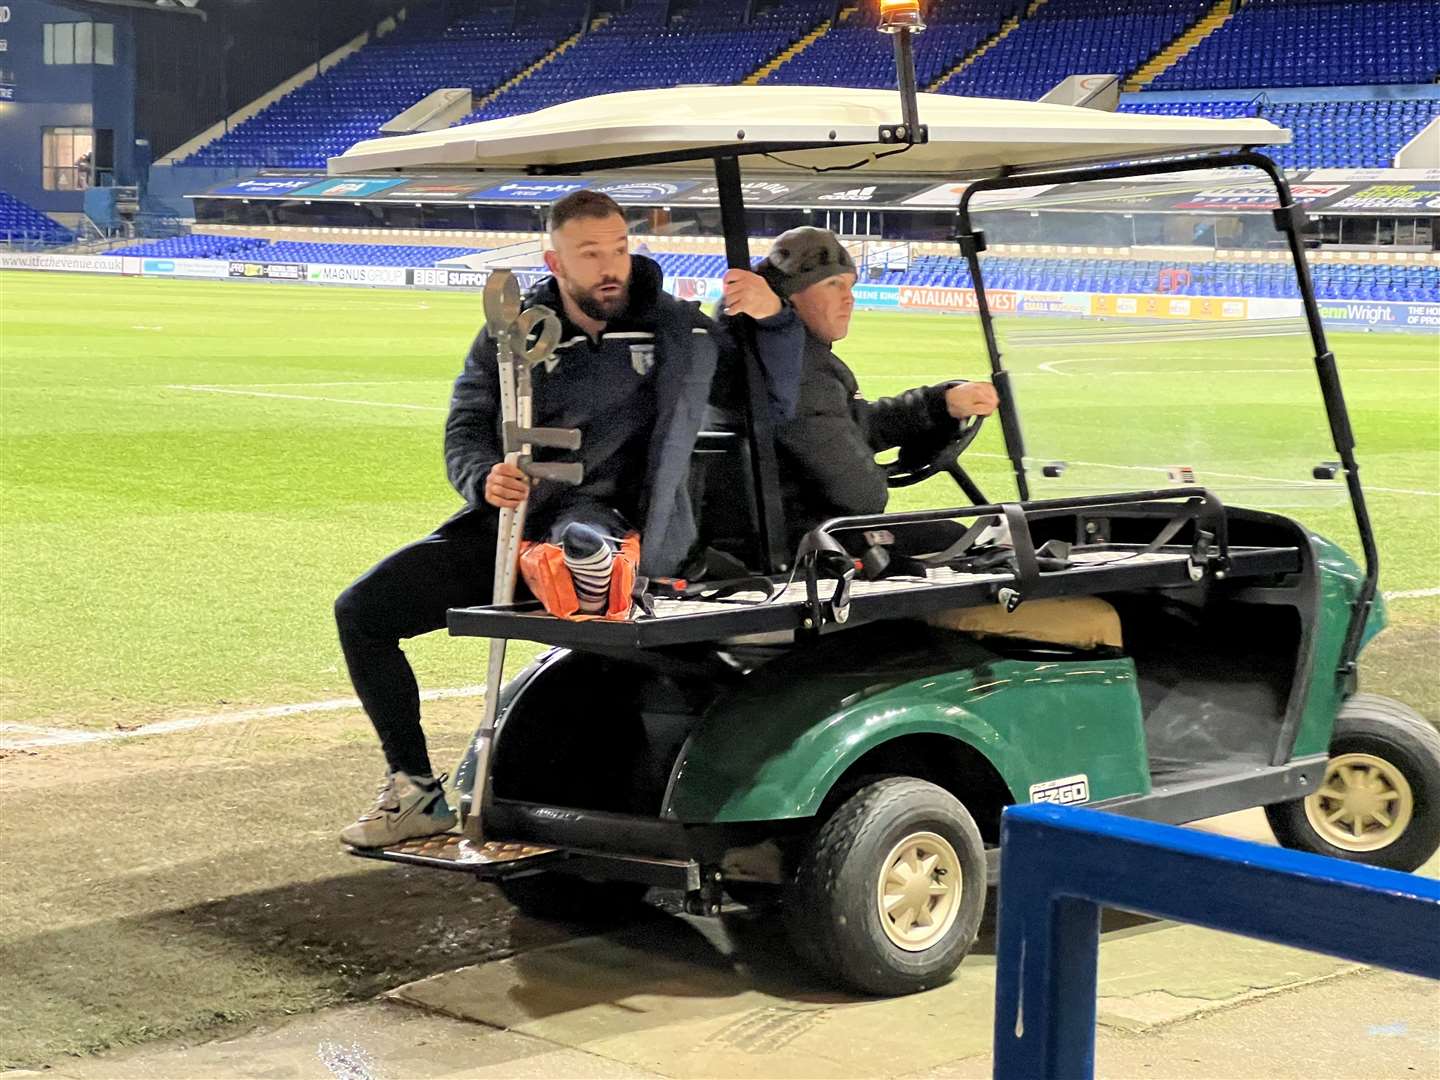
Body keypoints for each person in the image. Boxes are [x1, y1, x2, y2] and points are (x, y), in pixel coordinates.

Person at [334, 191, 795, 847]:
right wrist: (483, 477)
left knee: (593, 559)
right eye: (591, 254)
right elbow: (467, 429)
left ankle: (593, 564)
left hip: (640, 539)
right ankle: (414, 791)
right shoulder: (515, 329)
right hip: (517, 535)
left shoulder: (682, 332)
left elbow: (768, 407)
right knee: (362, 612)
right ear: (555, 260)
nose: (611, 266)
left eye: (619, 249)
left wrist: (773, 321)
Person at [729, 226, 999, 545]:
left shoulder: (785, 359)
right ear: (788, 295)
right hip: (801, 540)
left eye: (850, 285)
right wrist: (877, 475)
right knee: (958, 540)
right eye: (832, 285)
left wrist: (938, 404)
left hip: (778, 531)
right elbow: (861, 497)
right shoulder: (797, 372)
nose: (848, 298)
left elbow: (845, 427)